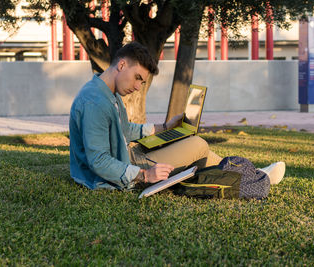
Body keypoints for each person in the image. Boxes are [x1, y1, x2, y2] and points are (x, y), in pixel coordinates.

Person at [69, 41, 285, 191]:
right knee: (197, 144)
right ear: (122, 65)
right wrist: (144, 175)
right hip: (121, 169)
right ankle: (255, 175)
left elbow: (124, 130)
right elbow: (98, 161)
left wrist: (165, 127)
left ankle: (254, 174)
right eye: (137, 78)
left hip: (129, 154)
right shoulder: (94, 102)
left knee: (190, 144)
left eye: (141, 82)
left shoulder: (107, 93)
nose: (137, 87)